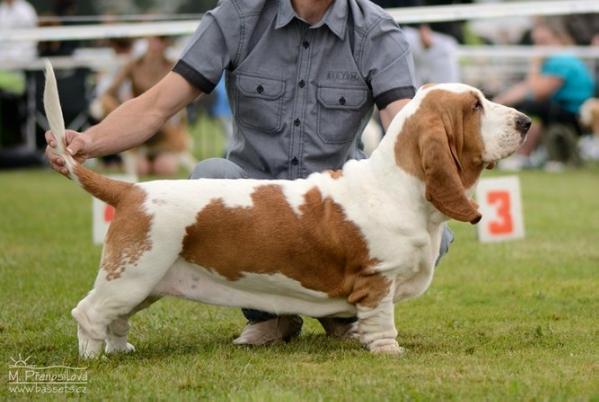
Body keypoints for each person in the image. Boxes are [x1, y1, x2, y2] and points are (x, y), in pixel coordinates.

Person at [46, 0, 454, 346]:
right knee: (210, 173)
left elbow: (403, 126)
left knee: (435, 233)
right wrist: (89, 143)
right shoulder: (237, 16)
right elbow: (157, 105)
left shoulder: (377, 30)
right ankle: (268, 315)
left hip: (337, 207)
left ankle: (347, 313)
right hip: (252, 197)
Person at [494, 17, 595, 170]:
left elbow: (537, 92)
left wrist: (534, 65)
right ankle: (524, 155)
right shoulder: (558, 58)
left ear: (554, 36)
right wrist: (499, 101)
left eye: (541, 41)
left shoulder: (562, 59)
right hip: (564, 109)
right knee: (530, 108)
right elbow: (527, 87)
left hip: (577, 114)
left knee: (531, 107)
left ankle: (523, 156)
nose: (537, 44)